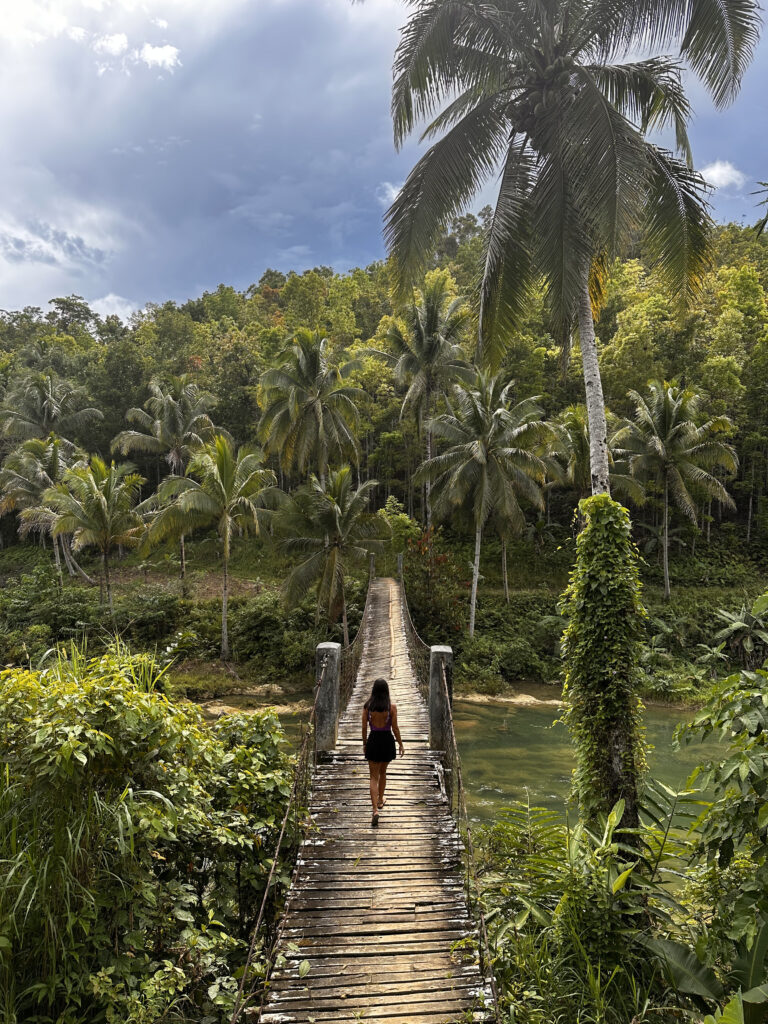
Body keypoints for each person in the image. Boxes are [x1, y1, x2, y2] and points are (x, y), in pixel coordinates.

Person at [362, 677, 404, 827]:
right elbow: (395, 728)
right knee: (383, 773)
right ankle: (380, 800)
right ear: (387, 691)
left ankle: (374, 810)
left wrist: (365, 744)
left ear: (373, 691)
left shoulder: (368, 707)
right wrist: (400, 744)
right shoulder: (391, 707)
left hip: (373, 740)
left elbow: (364, 728)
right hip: (387, 741)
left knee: (373, 777)